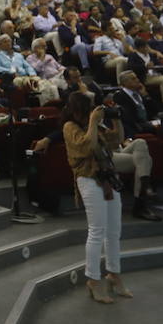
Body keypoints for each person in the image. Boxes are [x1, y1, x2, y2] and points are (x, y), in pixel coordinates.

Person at [62, 91, 131, 303]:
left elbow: (116, 140)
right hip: (89, 179)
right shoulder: (70, 127)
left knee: (114, 231)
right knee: (97, 231)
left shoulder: (97, 126)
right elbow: (86, 147)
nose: (95, 110)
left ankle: (114, 274)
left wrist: (116, 119)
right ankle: (92, 279)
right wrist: (93, 122)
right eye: (90, 107)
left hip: (108, 178)